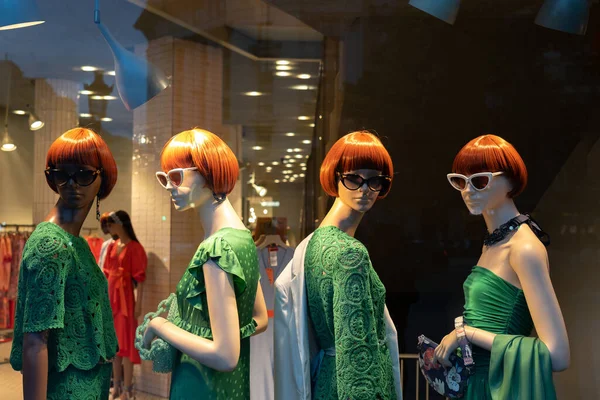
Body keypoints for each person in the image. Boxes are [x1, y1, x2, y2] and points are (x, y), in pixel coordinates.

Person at [433, 134, 570, 399]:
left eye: (480, 181)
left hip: (500, 389)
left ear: (510, 181)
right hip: (478, 385)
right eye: (460, 181)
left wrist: (467, 334)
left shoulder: (524, 249)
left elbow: (558, 355)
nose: (467, 191)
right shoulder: (493, 244)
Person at [141, 128, 268, 399]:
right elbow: (261, 319)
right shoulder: (243, 237)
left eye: (176, 177)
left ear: (208, 172)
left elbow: (225, 355)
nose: (169, 188)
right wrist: (222, 331)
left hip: (202, 386)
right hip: (230, 388)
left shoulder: (216, 248)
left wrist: (161, 326)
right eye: (164, 178)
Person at [274, 131, 402, 400]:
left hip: (325, 382)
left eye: (375, 180)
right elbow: (358, 360)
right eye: (354, 178)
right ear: (335, 176)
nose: (365, 188)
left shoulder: (314, 243)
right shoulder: (349, 253)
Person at [9, 127, 119, 400]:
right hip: (67, 390)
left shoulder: (74, 242)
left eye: (83, 174)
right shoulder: (52, 245)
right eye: (61, 174)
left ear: (102, 178)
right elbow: (35, 343)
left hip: (87, 385)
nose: (71, 184)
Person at [104, 210, 147, 399]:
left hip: (126, 300)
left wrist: (139, 304)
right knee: (115, 345)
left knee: (127, 344)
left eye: (111, 224)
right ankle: (117, 386)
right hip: (112, 298)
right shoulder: (113, 246)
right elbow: (106, 273)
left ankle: (128, 389)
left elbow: (141, 279)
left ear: (120, 224)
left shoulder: (135, 248)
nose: (109, 229)